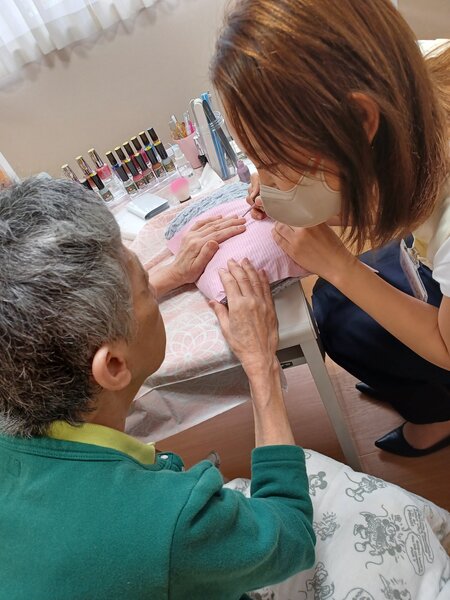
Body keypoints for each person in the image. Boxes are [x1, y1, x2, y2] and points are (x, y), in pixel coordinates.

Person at [0, 177, 315, 599]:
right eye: (145, 287)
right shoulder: (169, 522)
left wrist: (170, 276)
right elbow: (292, 536)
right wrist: (262, 367)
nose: (152, 284)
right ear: (113, 365)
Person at [210, 0, 450, 457]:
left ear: (359, 121)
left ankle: (438, 415)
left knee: (345, 311)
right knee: (335, 305)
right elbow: (395, 202)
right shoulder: (407, 73)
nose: (266, 180)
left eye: (274, 160)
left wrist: (339, 264)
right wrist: (283, 176)